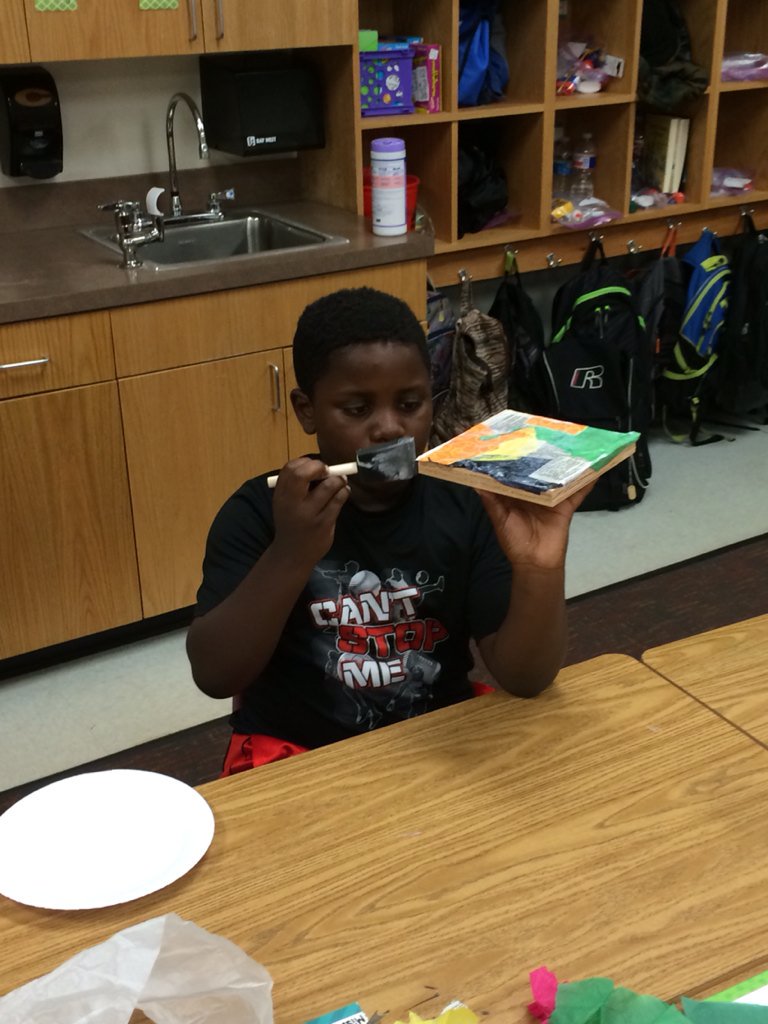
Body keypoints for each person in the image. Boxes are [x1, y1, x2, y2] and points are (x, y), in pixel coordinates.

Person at [187, 286, 590, 775]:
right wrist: (292, 552)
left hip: (438, 742)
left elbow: (527, 678)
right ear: (306, 409)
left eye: (410, 403)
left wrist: (539, 567)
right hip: (301, 757)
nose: (389, 429)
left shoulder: (464, 502)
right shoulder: (259, 512)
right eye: (357, 410)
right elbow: (215, 675)